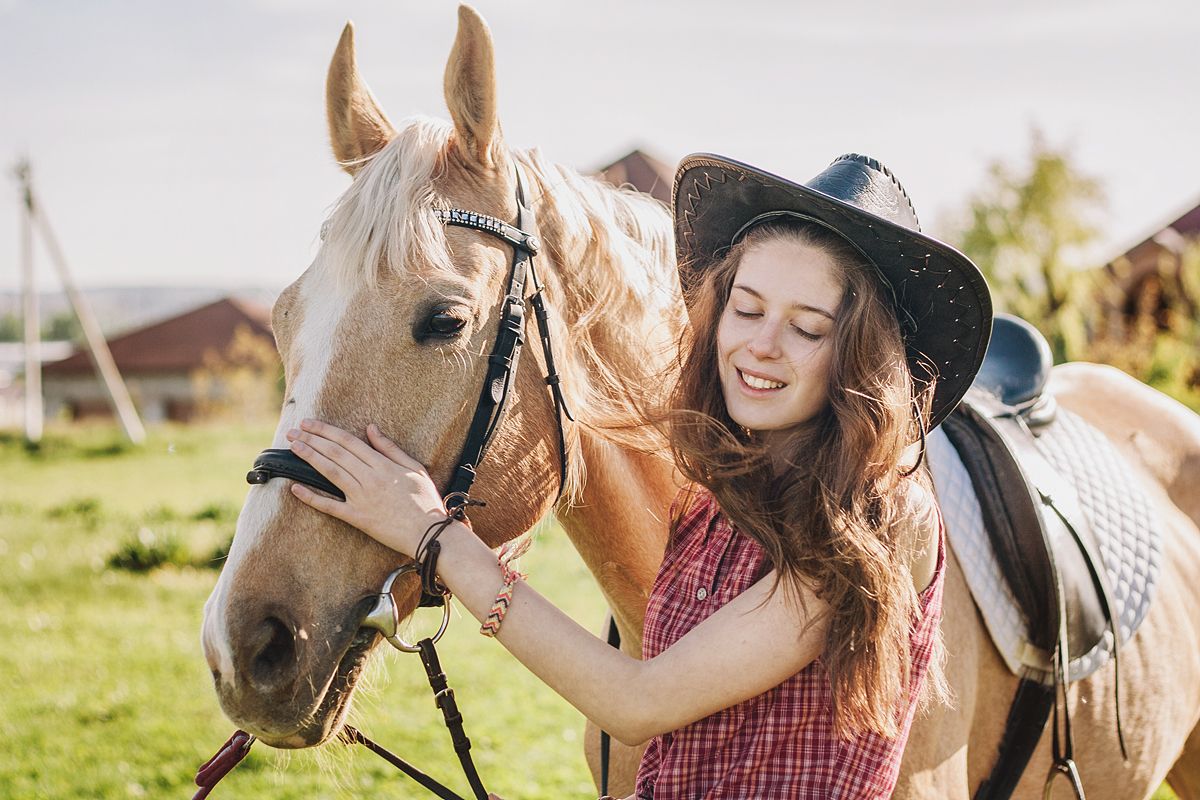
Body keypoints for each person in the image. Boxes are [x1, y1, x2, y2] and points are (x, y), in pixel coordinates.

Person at [285, 153, 992, 798]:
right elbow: (703, 762)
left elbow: (639, 703)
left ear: (860, 353)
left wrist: (435, 537)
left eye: (807, 328)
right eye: (747, 309)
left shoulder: (879, 514)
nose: (761, 345)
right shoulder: (712, 499)